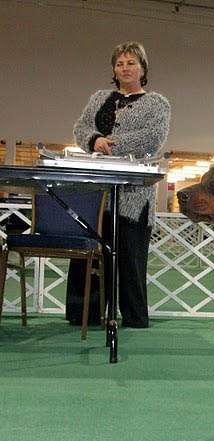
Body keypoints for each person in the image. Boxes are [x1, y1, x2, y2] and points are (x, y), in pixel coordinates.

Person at [66, 41, 170, 328]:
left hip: (134, 196)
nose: (125, 68)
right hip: (96, 192)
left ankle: (134, 317)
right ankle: (84, 314)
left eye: (131, 63)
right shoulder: (99, 97)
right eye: (120, 64)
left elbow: (153, 138)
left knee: (130, 258)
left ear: (143, 69)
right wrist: (94, 140)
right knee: (90, 256)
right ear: (114, 70)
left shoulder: (157, 104)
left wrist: (110, 144)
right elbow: (81, 128)